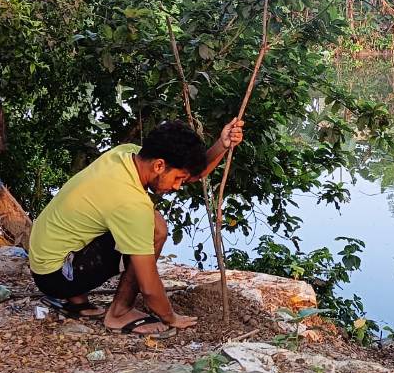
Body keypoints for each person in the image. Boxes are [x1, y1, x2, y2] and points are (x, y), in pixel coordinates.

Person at [27, 119, 244, 337]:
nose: (178, 186)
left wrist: (221, 145)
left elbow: (190, 172)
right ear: (159, 165)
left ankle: (76, 299)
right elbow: (149, 289)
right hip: (58, 276)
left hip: (47, 260)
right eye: (177, 179)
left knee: (145, 222)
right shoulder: (130, 204)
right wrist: (170, 316)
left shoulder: (127, 155)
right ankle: (119, 313)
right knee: (155, 230)